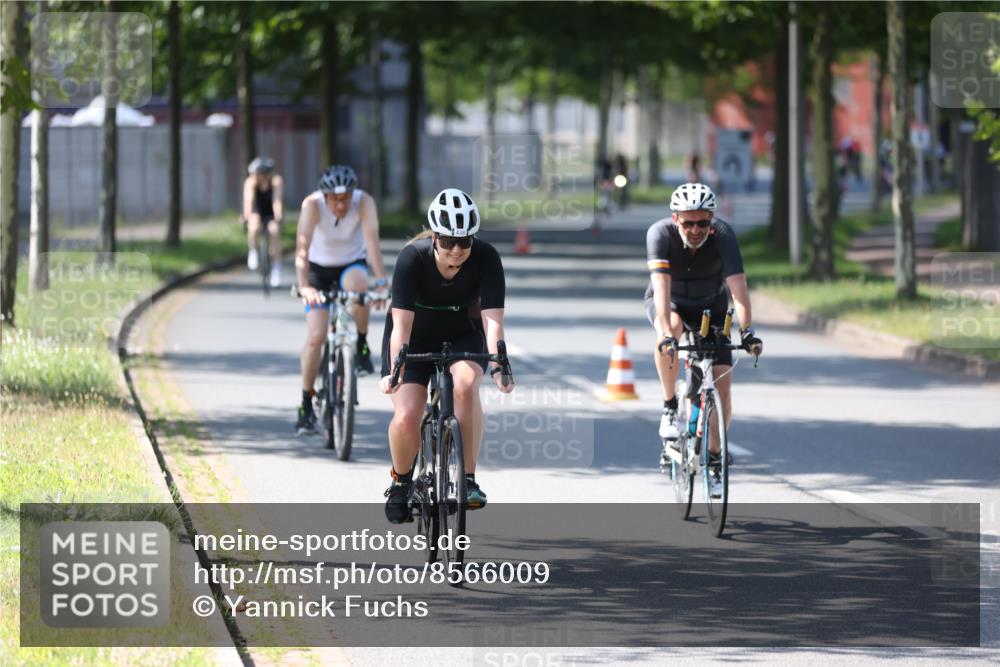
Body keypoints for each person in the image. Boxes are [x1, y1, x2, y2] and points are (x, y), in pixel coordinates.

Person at [379, 188, 514, 524]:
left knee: (466, 384)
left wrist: (499, 367)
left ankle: (467, 480)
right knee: (408, 413)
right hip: (413, 336)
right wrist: (395, 370)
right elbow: (400, 326)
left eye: (464, 241)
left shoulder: (486, 258)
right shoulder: (412, 259)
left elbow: (493, 322)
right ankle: (400, 481)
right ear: (435, 236)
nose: (457, 250)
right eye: (449, 241)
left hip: (463, 333)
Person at [644, 182, 763, 497]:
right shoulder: (659, 235)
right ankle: (670, 405)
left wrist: (748, 330)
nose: (696, 229)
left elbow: (738, 288)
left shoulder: (723, 235)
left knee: (722, 393)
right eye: (688, 222)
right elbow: (661, 287)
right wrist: (668, 336)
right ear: (675, 219)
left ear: (712, 219)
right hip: (670, 302)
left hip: (711, 308)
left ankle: (714, 457)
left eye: (703, 222)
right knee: (669, 327)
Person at [294, 165, 389, 436]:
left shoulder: (364, 202)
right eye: (334, 199)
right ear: (324, 197)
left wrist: (381, 281)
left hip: (351, 263)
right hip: (317, 270)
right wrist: (304, 286)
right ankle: (306, 403)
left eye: (346, 198)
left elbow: (371, 242)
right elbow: (301, 248)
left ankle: (359, 343)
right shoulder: (311, 205)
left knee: (360, 289)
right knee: (316, 336)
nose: (340, 204)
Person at [244, 157, 284, 287]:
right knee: (254, 226)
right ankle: (253, 250)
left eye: (264, 173)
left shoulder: (276, 181)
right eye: (259, 173)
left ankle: (276, 268)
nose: (261, 176)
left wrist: (278, 216)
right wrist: (247, 215)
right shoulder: (250, 182)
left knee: (274, 231)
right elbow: (249, 201)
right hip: (257, 210)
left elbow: (276, 201)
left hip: (270, 211)